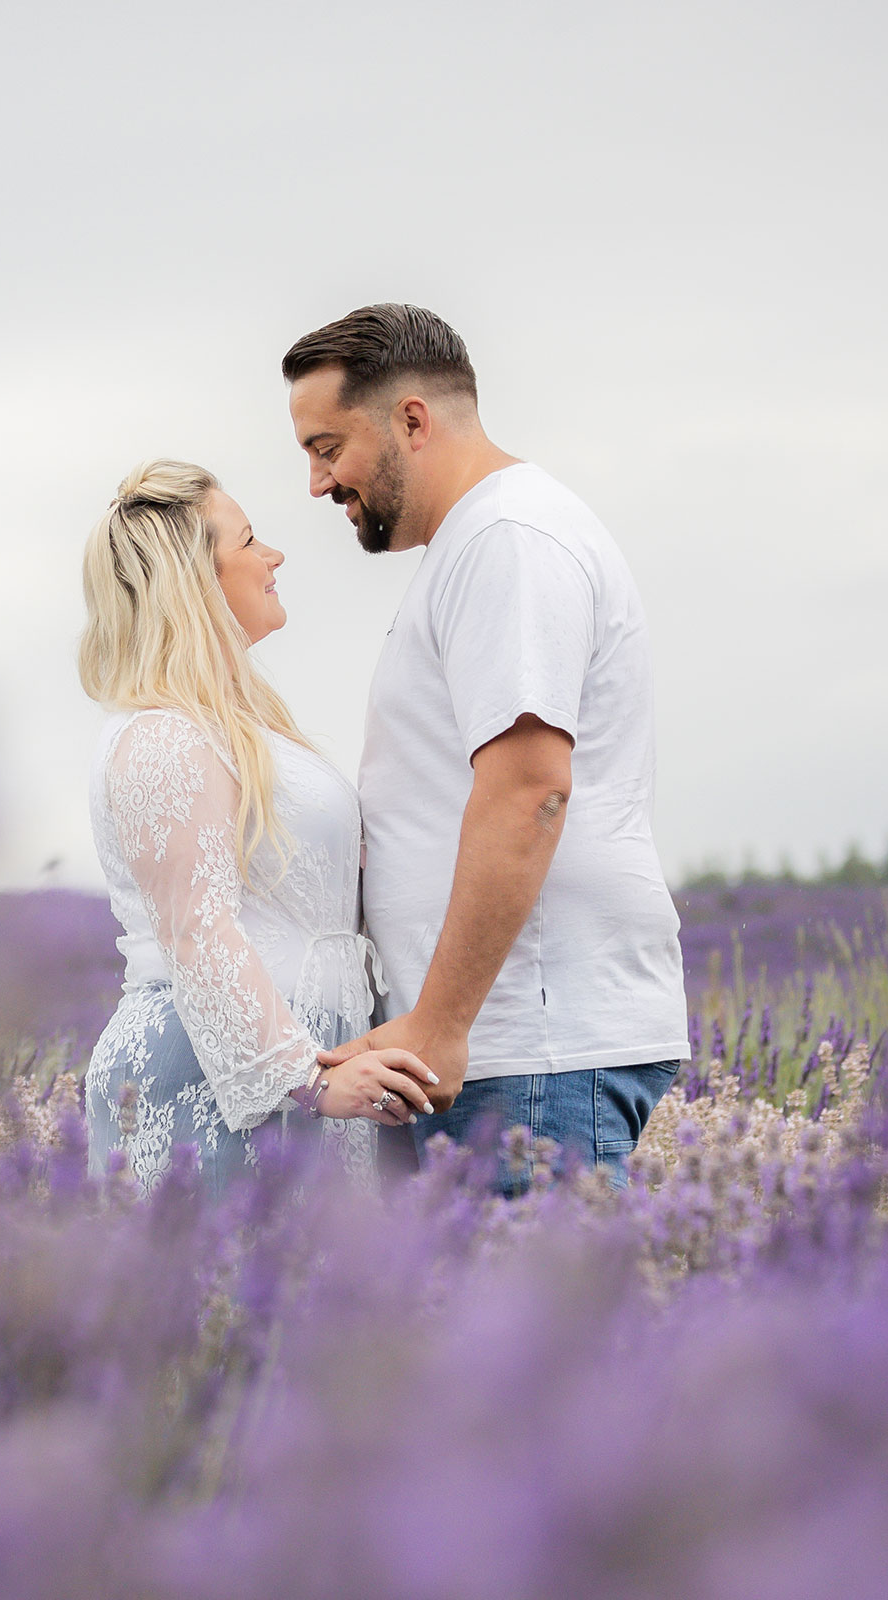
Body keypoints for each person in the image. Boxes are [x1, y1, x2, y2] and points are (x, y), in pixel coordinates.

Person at [288, 304, 689, 1192]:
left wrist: (439, 1024)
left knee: (539, 1333)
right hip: (504, 1049)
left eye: (326, 448)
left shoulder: (507, 540)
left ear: (413, 421)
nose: (317, 484)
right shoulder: (480, 543)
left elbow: (529, 789)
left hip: (528, 1054)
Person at [78, 459, 438, 1193]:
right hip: (220, 1076)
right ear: (195, 581)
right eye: (249, 541)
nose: (273, 556)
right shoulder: (163, 737)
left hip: (292, 1067)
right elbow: (195, 928)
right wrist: (305, 1081)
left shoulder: (238, 728)